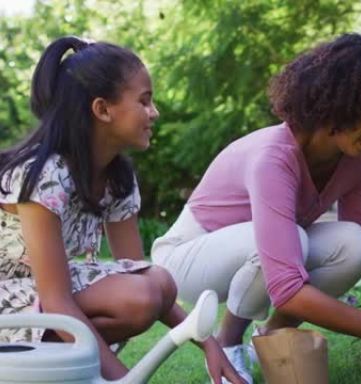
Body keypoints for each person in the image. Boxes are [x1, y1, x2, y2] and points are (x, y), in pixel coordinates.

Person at [152, 33, 361, 384]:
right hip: (185, 261)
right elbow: (286, 287)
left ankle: (268, 339)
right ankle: (228, 345)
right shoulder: (273, 158)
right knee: (289, 240)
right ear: (344, 105)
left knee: (353, 243)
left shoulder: (359, 158)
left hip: (255, 254)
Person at [0, 36, 245, 384]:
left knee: (156, 282)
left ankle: (66, 369)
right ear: (102, 110)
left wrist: (210, 346)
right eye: (144, 101)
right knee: (138, 296)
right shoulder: (44, 174)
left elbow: (142, 276)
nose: (154, 113)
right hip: (9, 302)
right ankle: (52, 370)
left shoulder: (117, 177)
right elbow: (57, 300)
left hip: (37, 298)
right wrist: (123, 380)